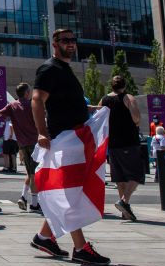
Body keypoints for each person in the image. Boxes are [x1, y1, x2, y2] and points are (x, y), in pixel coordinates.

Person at [29, 28, 110, 265]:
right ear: (55, 44)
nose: (71, 44)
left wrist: (92, 111)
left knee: (68, 192)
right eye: (65, 41)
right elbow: (36, 100)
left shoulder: (64, 70)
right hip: (63, 139)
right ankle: (81, 248)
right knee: (70, 194)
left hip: (73, 137)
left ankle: (44, 236)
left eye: (74, 40)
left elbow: (66, 104)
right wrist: (42, 133)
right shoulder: (49, 69)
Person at [0, 83, 40, 212]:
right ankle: (34, 204)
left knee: (30, 172)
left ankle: (23, 197)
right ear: (27, 93)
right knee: (35, 174)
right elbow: (41, 121)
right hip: (34, 142)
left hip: (22, 144)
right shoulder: (31, 105)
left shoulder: (12, 106)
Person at [99, 75, 143, 222]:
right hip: (128, 141)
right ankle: (124, 201)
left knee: (120, 178)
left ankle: (125, 211)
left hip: (112, 143)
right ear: (124, 85)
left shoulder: (104, 100)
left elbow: (98, 114)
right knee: (136, 175)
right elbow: (136, 118)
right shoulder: (128, 97)